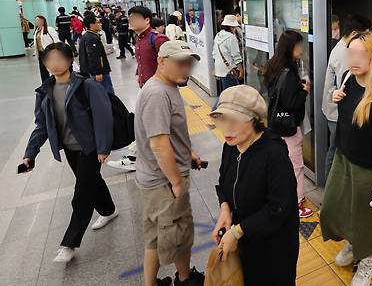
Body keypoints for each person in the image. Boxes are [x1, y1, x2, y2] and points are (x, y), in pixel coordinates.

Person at [321, 31, 372, 286]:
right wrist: (336, 97)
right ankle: (351, 244)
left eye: (361, 54)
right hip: (344, 159)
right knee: (336, 209)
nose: (353, 59)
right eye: (350, 53)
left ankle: (367, 263)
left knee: (367, 221)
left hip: (369, 169)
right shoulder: (348, 78)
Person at [23, 42, 118, 263]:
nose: (54, 64)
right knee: (91, 182)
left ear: (68, 60)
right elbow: (41, 125)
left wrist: (103, 147)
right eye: (49, 60)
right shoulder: (45, 90)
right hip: (69, 149)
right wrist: (30, 153)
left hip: (90, 148)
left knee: (82, 193)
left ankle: (70, 243)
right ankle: (108, 210)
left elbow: (103, 118)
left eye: (58, 58)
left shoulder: (86, 86)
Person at [211, 85, 299, 285]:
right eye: (222, 119)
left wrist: (237, 231)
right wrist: (225, 209)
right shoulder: (231, 146)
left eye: (234, 120)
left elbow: (279, 207)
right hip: (244, 242)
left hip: (273, 247)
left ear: (254, 120)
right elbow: (224, 182)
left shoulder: (274, 154)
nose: (226, 128)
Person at [134, 40, 205, 286]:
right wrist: (176, 182)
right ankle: (185, 279)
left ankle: (151, 283)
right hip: (163, 180)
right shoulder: (157, 93)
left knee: (157, 233)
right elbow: (159, 143)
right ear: (162, 61)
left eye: (189, 64)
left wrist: (189, 153)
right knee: (178, 233)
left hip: (156, 177)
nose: (186, 69)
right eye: (180, 63)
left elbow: (170, 134)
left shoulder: (167, 86)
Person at [264, 30, 313, 218]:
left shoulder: (274, 65)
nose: (301, 49)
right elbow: (291, 102)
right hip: (288, 128)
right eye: (299, 45)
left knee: (282, 165)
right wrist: (305, 91)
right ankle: (297, 204)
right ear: (291, 47)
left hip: (275, 124)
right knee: (296, 166)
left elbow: (278, 92)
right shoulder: (289, 71)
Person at [321, 15, 371, 181]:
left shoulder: (342, 47)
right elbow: (346, 85)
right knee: (336, 151)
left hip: (334, 110)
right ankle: (330, 187)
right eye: (365, 35)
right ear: (355, 33)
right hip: (337, 112)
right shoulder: (345, 53)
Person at [129, 5, 169, 88]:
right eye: (130, 18)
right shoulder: (138, 38)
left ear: (147, 20)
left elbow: (171, 65)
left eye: (135, 18)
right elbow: (141, 60)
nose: (131, 21)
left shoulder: (158, 39)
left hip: (159, 88)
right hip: (145, 86)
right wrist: (138, 74)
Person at [79, 14, 114, 94]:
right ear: (91, 25)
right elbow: (94, 56)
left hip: (90, 71)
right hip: (98, 72)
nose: (100, 24)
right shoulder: (92, 38)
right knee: (107, 93)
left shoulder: (86, 36)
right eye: (98, 22)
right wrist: (98, 72)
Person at [212, 15, 243, 93]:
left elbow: (214, 53)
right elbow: (236, 55)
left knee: (232, 91)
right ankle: (218, 105)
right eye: (234, 27)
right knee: (230, 94)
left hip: (220, 68)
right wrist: (240, 69)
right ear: (230, 27)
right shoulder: (231, 37)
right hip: (229, 70)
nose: (235, 29)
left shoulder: (218, 35)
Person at [33, 15, 60, 81]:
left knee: (52, 70)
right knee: (43, 71)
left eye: (38, 20)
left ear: (43, 21)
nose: (37, 22)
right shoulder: (37, 30)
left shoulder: (49, 29)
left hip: (49, 53)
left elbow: (56, 40)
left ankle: (55, 84)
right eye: (36, 20)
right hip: (41, 53)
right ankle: (45, 86)